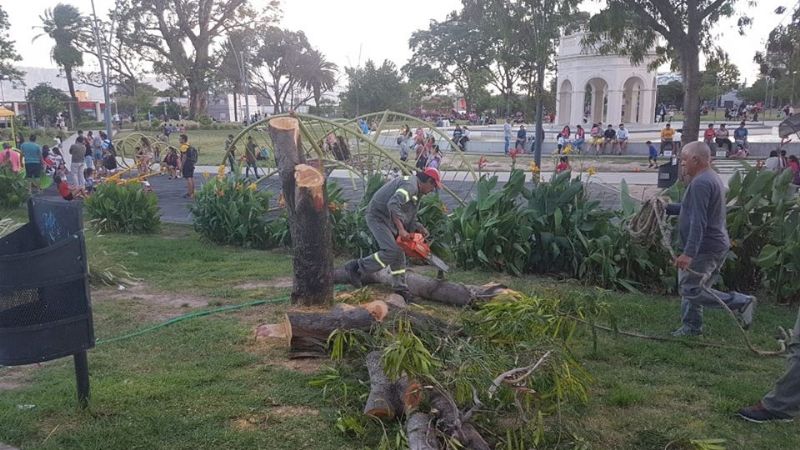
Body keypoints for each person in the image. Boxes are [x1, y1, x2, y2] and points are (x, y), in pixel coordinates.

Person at [669, 142, 756, 337]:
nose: (682, 165)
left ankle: (741, 302)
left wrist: (689, 253)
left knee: (691, 289)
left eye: (684, 160)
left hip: (706, 247)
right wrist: (667, 208)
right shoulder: (709, 177)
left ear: (695, 160)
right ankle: (691, 328)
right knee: (695, 286)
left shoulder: (701, 182)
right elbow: (691, 208)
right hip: (714, 244)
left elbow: (699, 221)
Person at [343, 168, 441, 303]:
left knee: (399, 252)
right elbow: (393, 204)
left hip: (388, 219)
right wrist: (401, 229)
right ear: (429, 181)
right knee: (391, 250)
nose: (432, 190)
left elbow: (408, 215)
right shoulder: (410, 186)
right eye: (433, 186)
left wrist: (419, 227)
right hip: (378, 216)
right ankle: (356, 266)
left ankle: (401, 288)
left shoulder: (417, 192)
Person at [179, 134, 197, 199]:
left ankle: (189, 193)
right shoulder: (189, 145)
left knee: (188, 178)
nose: (179, 140)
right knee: (191, 177)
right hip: (191, 163)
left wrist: (181, 165)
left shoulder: (183, 147)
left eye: (180, 138)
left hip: (187, 164)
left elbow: (184, 157)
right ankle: (193, 192)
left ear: (183, 139)